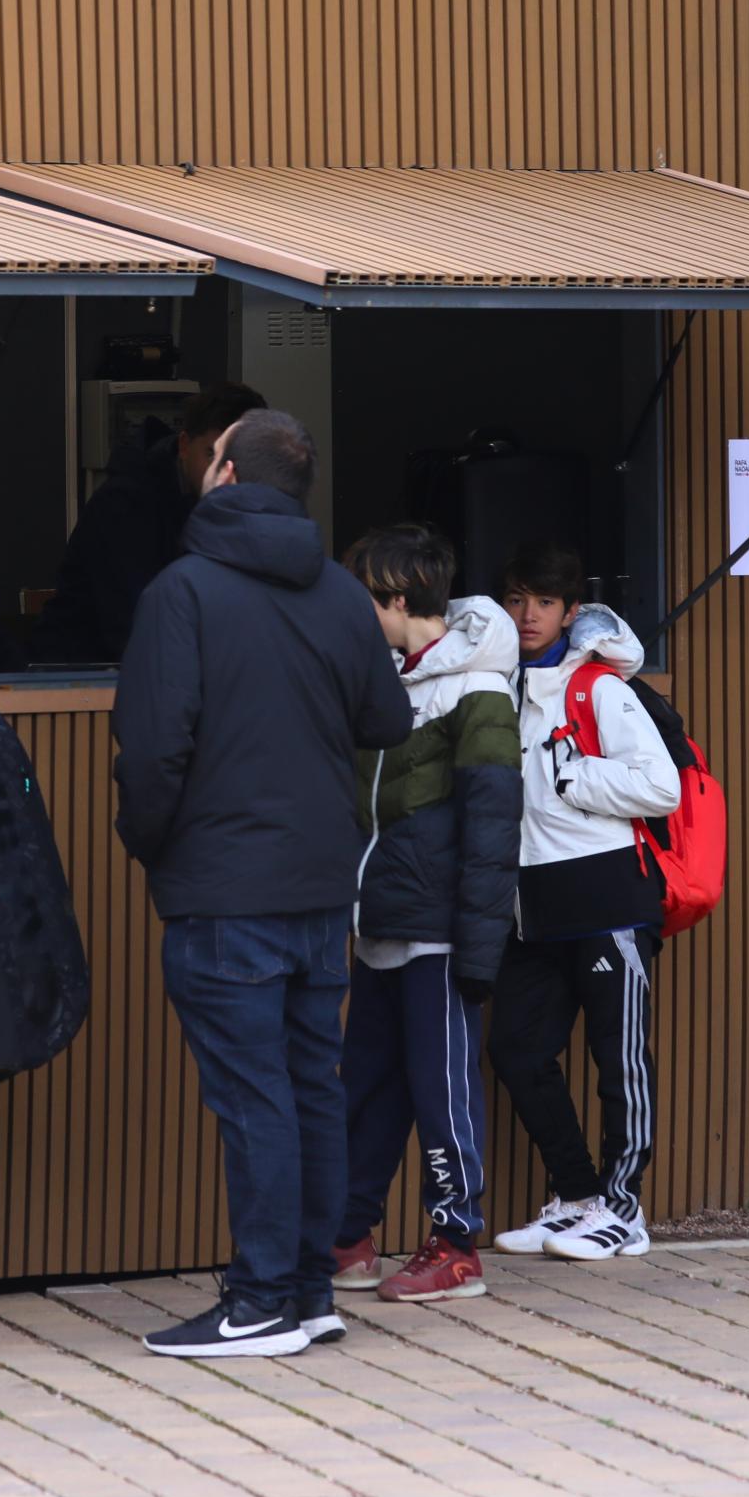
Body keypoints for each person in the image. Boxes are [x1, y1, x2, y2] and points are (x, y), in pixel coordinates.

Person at [113, 411, 413, 1358]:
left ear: (227, 474)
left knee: (255, 1096)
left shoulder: (181, 591)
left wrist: (150, 844)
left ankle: (261, 1300)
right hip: (321, 882)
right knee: (309, 1085)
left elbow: (151, 753)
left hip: (222, 886)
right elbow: (388, 720)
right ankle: (309, 1290)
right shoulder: (339, 594)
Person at [331, 527, 519, 1304]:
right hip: (379, 918)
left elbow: (494, 825)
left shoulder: (479, 688)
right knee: (367, 1084)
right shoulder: (383, 679)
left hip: (438, 928)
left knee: (442, 1089)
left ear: (398, 598)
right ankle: (349, 1236)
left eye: (362, 596)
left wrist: (479, 946)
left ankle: (456, 1243)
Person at [485, 542, 681, 1263]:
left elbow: (660, 786)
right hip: (530, 907)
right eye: (516, 599)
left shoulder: (597, 687)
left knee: (617, 1059)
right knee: (516, 1049)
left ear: (571, 612)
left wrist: (575, 777)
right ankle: (577, 1196)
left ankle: (623, 1211)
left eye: (544, 601)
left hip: (607, 900)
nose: (528, 614)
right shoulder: (498, 687)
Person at [31, 383, 269, 665]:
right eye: (212, 455)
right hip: (81, 676)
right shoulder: (126, 504)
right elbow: (136, 628)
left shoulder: (236, 508)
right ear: (184, 446)